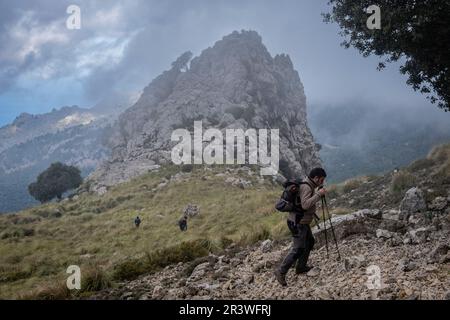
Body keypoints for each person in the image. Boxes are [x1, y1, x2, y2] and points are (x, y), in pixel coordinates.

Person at [274, 167, 327, 287]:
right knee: (298, 249)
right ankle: (281, 271)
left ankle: (301, 267)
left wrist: (317, 192)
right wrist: (319, 194)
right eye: (321, 180)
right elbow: (305, 205)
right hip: (298, 223)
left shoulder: (309, 184)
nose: (322, 182)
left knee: (309, 242)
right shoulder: (307, 187)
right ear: (316, 178)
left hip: (302, 222)